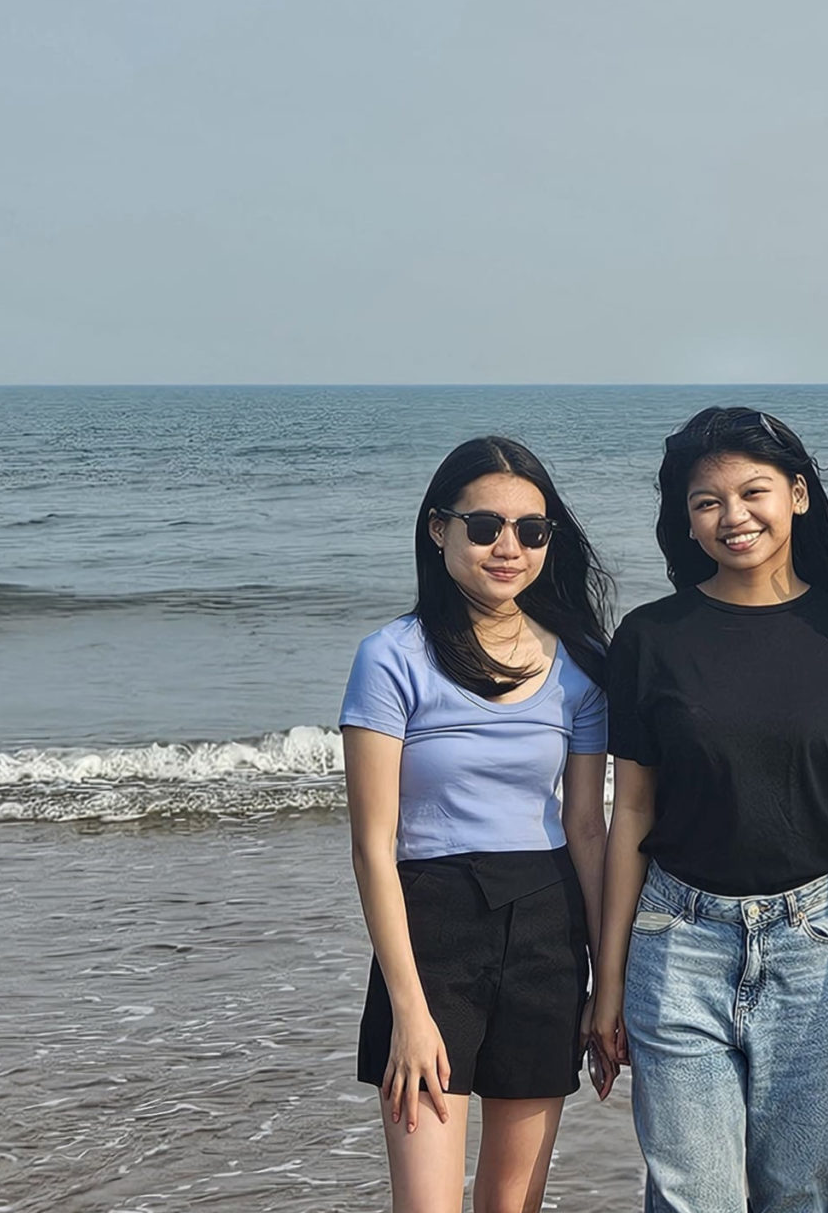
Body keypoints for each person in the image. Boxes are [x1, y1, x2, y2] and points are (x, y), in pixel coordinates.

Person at [589, 406, 828, 1213]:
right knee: (692, 1200)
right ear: (684, 520)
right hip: (675, 943)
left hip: (819, 941)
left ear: (797, 494)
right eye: (706, 502)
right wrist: (605, 983)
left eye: (753, 492)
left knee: (803, 1195)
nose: (733, 517)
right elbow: (632, 817)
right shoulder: (651, 638)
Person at [341, 436, 614, 1213]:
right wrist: (410, 1011)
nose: (509, 547)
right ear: (439, 529)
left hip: (547, 929)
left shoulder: (581, 661)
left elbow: (587, 829)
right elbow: (372, 846)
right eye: (486, 525)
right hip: (432, 931)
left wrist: (605, 988)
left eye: (532, 531)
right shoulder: (391, 657)